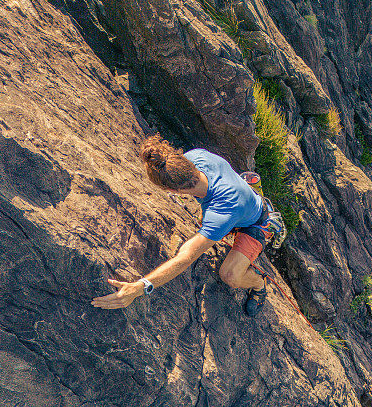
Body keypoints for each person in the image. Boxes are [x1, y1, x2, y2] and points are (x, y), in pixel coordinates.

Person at [92, 135, 276, 316]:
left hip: (255, 223)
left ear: (172, 191)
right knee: (212, 222)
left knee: (230, 276)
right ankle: (249, 193)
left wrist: (139, 287)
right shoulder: (196, 156)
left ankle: (259, 284)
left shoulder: (221, 213)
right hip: (238, 202)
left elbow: (185, 258)